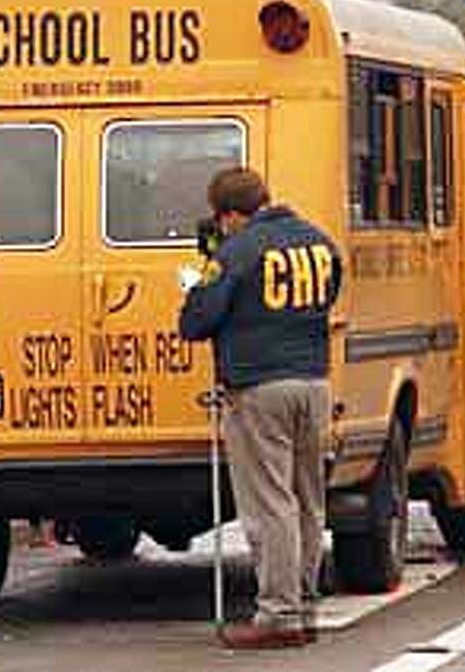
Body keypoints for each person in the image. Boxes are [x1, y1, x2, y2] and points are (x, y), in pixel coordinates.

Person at [179, 167, 342, 649]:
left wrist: (198, 282)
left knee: (271, 504)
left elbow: (197, 321)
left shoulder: (235, 251)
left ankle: (278, 614)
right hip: (313, 382)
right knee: (307, 499)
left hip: (258, 386)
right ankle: (304, 603)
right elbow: (330, 295)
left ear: (230, 215)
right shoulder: (318, 242)